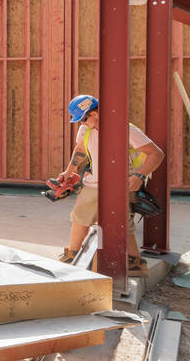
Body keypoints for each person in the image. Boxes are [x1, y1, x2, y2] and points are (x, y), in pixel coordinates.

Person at [56, 94, 163, 273]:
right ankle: (72, 255)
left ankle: (134, 263)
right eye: (79, 121)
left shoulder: (126, 130)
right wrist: (69, 172)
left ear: (96, 112)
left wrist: (139, 176)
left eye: (83, 119)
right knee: (80, 217)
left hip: (120, 185)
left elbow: (157, 154)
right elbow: (80, 150)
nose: (81, 123)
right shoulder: (85, 130)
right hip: (93, 182)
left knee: (121, 222)